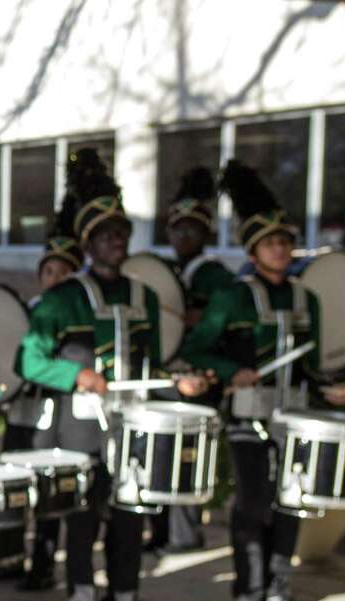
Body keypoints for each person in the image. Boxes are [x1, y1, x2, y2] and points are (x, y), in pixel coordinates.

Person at [17, 149, 210, 601]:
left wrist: (177, 384)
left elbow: (147, 369)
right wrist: (74, 373)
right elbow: (28, 361)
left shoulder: (143, 296)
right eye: (106, 236)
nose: (116, 243)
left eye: (122, 235)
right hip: (81, 430)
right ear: (88, 243)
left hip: (133, 427)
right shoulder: (63, 299)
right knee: (82, 529)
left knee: (129, 527)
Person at [180, 160, 345, 601]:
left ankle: (279, 587)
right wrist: (231, 371)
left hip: (293, 413)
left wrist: (330, 390)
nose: (282, 248)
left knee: (290, 499)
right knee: (253, 503)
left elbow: (311, 363)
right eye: (272, 242)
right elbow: (197, 348)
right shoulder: (232, 298)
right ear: (254, 253)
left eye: (286, 241)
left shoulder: (305, 297)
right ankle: (249, 591)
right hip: (248, 414)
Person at [0, 200, 82, 592]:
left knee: (46, 491)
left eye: (63, 271)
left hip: (53, 416)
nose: (54, 277)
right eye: (49, 271)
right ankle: (6, 559)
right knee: (9, 483)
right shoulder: (27, 311)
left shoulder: (74, 314)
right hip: (20, 414)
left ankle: (42, 565)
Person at [145, 167, 233, 556]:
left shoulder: (214, 275)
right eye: (177, 229)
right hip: (167, 375)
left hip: (196, 379)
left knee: (184, 456)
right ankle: (160, 531)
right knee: (156, 450)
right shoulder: (165, 271)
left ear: (206, 234)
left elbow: (225, 325)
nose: (183, 236)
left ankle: (184, 533)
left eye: (192, 230)